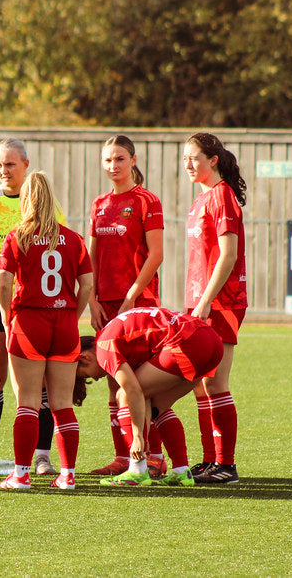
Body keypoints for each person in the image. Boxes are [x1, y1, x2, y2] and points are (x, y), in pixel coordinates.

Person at [0, 138, 59, 476]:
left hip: (33, 305)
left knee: (38, 386)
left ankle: (42, 456)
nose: (4, 171)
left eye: (11, 165)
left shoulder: (46, 206)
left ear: (25, 165)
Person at [0, 172, 93, 491]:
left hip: (29, 322)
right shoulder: (73, 238)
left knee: (27, 402)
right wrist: (72, 315)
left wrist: (8, 318)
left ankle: (21, 475)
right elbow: (88, 284)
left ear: (26, 200)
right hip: (64, 323)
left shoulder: (17, 236)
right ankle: (67, 475)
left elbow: (5, 282)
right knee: (62, 403)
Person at [75, 307, 224, 487]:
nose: (96, 378)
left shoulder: (103, 347)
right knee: (156, 404)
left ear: (85, 357)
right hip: (210, 339)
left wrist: (138, 437)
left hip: (188, 341)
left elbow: (133, 391)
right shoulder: (110, 336)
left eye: (85, 375)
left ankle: (137, 470)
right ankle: (181, 471)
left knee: (124, 394)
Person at [87, 135, 165, 478]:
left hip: (138, 304)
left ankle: (155, 455)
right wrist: (91, 300)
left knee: (140, 381)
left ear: (133, 161)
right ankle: (123, 456)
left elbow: (156, 254)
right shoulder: (99, 203)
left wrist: (132, 295)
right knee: (112, 378)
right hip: (105, 304)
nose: (113, 166)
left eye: (119, 159)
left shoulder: (147, 201)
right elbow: (89, 257)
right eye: (107, 160)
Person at [183, 132, 247, 484]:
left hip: (221, 303)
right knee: (199, 383)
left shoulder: (222, 197)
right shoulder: (201, 199)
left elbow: (229, 255)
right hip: (201, 302)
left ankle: (227, 465)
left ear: (213, 160)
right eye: (185, 159)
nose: (188, 164)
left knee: (216, 383)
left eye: (194, 157)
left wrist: (206, 300)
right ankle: (210, 461)